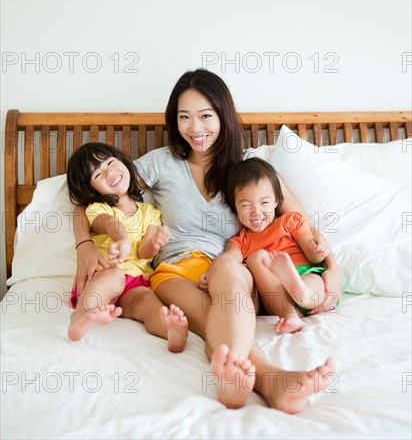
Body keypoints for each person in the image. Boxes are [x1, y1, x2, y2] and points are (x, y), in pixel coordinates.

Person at [73, 69, 340, 412]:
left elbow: (301, 224)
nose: (195, 129)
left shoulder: (249, 169)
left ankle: (241, 379)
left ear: (223, 115)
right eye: (184, 117)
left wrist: (330, 267)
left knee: (228, 284)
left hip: (231, 268)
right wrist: (84, 245)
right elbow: (86, 201)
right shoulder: (160, 163)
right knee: (210, 314)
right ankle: (273, 383)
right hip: (175, 270)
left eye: (205, 116)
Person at [66, 142, 188, 352]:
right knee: (114, 275)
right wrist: (121, 239)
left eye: (110, 162)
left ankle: (171, 332)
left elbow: (144, 252)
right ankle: (80, 318)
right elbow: (108, 224)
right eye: (97, 175)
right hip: (104, 276)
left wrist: (155, 243)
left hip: (136, 283)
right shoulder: (98, 209)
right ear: (90, 189)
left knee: (148, 302)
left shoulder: (149, 212)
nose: (108, 172)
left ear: (123, 162)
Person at [221, 156, 333, 334]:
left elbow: (313, 255)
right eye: (245, 205)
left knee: (313, 282)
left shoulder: (290, 221)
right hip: (275, 296)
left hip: (304, 276)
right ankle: (290, 315)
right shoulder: (241, 241)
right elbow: (227, 260)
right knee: (257, 258)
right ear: (234, 207)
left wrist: (317, 248)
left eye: (264, 202)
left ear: (276, 201)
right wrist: (212, 273)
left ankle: (300, 291)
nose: (256, 212)